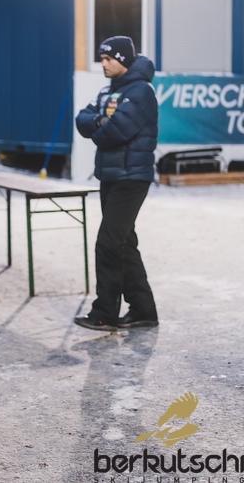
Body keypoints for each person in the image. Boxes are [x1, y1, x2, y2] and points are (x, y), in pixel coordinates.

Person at [73, 36, 159, 332]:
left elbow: (116, 132)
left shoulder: (141, 91)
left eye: (109, 59)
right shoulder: (109, 90)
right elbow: (82, 119)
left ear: (123, 59)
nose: (103, 64)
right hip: (110, 176)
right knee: (124, 243)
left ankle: (104, 314)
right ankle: (144, 310)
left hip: (131, 178)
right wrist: (101, 121)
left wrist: (99, 125)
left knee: (109, 243)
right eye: (101, 59)